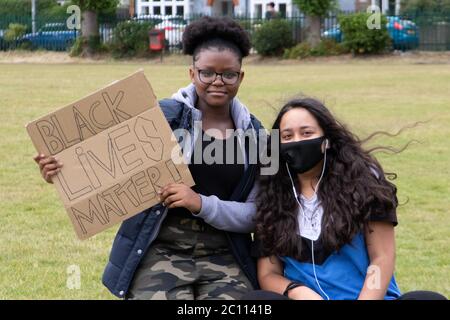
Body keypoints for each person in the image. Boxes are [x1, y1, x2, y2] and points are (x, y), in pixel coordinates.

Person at [33, 16, 265, 300]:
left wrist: (201, 204)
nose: (217, 81)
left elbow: (256, 215)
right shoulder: (161, 117)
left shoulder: (257, 136)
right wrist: (60, 170)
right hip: (161, 248)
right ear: (192, 74)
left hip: (225, 252)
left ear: (240, 77)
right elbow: (102, 165)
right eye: (207, 73)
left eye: (228, 74)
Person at [243, 98, 447, 300]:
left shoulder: (364, 186)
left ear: (327, 140)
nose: (297, 142)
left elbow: (381, 259)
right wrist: (298, 291)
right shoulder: (272, 195)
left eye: (307, 133)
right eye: (287, 136)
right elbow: (268, 274)